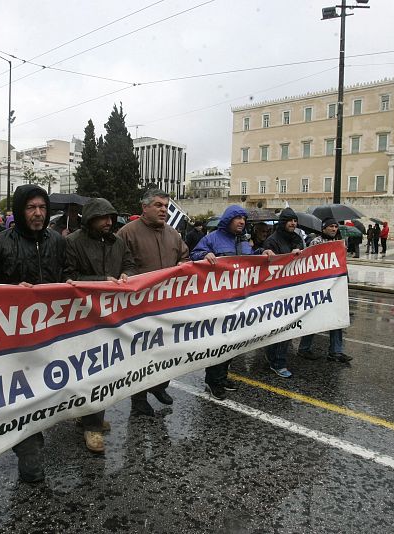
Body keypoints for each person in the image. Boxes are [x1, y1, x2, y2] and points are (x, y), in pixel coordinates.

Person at [0, 184, 66, 483]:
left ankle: (36, 437)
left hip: (50, 333)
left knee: (44, 391)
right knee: (21, 396)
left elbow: (69, 277)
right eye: (31, 208)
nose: (38, 213)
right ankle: (28, 450)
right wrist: (13, 294)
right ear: (20, 210)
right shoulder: (0, 244)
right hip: (13, 339)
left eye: (42, 207)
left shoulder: (57, 241)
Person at [64, 198, 135, 450]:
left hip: (112, 316)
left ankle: (90, 416)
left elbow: (129, 263)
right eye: (103, 217)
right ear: (90, 218)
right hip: (84, 318)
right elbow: (68, 276)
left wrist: (128, 274)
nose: (108, 222)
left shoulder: (118, 242)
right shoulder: (73, 243)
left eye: (111, 217)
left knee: (106, 370)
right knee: (93, 370)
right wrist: (101, 281)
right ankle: (92, 426)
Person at [117, 189, 190, 416]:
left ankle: (160, 386)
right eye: (158, 205)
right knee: (140, 357)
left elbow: (185, 260)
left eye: (166, 206)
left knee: (168, 351)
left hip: (168, 306)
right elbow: (118, 264)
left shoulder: (174, 235)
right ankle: (138, 401)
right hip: (139, 309)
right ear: (144, 208)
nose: (163, 210)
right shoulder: (127, 233)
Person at [191, 205, 274, 399]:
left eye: (243, 219)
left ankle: (223, 375)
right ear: (228, 220)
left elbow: (250, 260)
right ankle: (213, 381)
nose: (241, 222)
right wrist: (204, 255)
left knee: (233, 342)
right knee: (219, 342)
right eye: (237, 218)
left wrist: (262, 253)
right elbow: (193, 256)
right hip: (218, 302)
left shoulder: (243, 241)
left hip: (239, 301)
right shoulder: (211, 239)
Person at [297, 218, 352, 363]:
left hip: (335, 287)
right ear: (323, 229)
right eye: (331, 227)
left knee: (337, 320)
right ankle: (304, 348)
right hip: (320, 288)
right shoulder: (316, 242)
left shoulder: (339, 243)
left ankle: (336, 351)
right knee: (315, 319)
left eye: (335, 226)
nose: (334, 229)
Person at [261, 208, 304, 378]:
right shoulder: (272, 241)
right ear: (283, 222)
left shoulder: (296, 238)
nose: (293, 223)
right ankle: (278, 363)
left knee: (284, 328)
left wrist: (298, 249)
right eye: (290, 220)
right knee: (280, 328)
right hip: (276, 292)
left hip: (292, 289)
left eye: (295, 220)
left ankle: (274, 356)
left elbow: (301, 249)